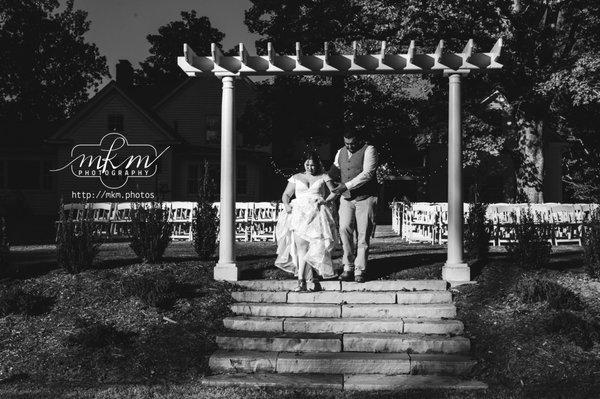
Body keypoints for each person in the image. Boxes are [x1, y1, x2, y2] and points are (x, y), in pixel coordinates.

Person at [275, 152, 339, 291]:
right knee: (301, 248)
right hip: (299, 214)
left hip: (316, 213)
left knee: (316, 245)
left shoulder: (323, 177)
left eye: (313, 165)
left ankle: (313, 276)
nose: (310, 167)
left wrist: (325, 200)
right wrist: (286, 204)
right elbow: (286, 194)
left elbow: (334, 192)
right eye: (307, 164)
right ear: (304, 164)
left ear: (317, 165)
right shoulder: (296, 177)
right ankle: (301, 280)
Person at [326, 131, 378, 283]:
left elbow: (368, 174)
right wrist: (324, 179)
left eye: (353, 143)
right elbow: (333, 172)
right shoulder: (340, 152)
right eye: (346, 143)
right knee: (344, 230)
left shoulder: (369, 150)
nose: (349, 146)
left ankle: (359, 269)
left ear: (360, 139)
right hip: (346, 199)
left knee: (363, 235)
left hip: (366, 198)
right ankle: (348, 266)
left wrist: (346, 186)